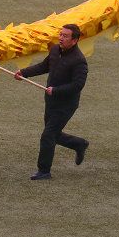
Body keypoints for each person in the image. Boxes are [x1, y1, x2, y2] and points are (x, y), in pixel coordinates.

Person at [15, 24, 89, 180]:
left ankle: (44, 171)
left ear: (74, 40)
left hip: (66, 105)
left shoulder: (79, 61)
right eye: (61, 34)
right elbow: (44, 66)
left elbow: (77, 85)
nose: (61, 38)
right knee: (54, 134)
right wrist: (24, 73)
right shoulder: (55, 50)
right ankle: (79, 144)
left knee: (48, 135)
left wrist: (56, 90)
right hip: (51, 101)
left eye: (65, 36)